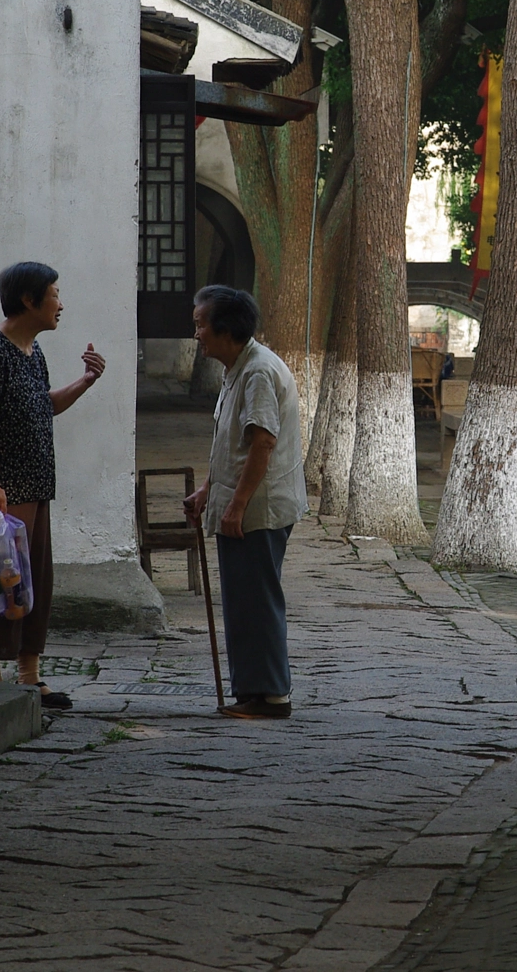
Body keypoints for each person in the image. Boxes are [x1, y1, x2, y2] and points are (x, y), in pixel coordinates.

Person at [0, 261, 105, 710]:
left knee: (34, 579)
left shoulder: (31, 351)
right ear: (29, 299)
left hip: (35, 485)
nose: (61, 303)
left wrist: (86, 380)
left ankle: (29, 675)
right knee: (3, 581)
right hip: (4, 491)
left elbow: (45, 405)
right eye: (55, 293)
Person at [183, 285, 306, 720]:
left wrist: (235, 505)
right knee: (244, 598)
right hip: (244, 503)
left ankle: (270, 696)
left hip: (259, 508)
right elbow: (233, 443)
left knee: (256, 599)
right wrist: (208, 490)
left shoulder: (256, 372)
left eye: (201, 324)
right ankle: (255, 690)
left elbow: (262, 443)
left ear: (226, 328)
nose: (196, 333)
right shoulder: (238, 367)